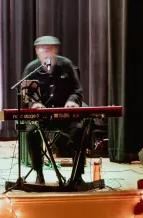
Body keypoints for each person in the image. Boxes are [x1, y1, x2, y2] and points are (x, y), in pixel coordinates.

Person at [21, 36, 85, 185]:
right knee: (32, 132)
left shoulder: (66, 65)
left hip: (64, 117)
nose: (46, 52)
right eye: (42, 49)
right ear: (37, 51)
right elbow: (25, 95)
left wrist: (71, 101)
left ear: (56, 49)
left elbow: (77, 90)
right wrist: (34, 104)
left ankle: (77, 175)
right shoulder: (31, 68)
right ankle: (39, 173)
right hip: (41, 119)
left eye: (50, 48)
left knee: (79, 130)